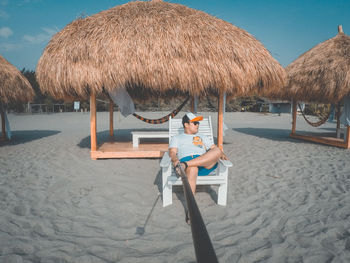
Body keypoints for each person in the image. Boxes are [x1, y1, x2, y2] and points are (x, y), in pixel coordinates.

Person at [169, 112, 228, 195]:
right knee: (193, 169)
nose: (197, 125)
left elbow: (214, 149)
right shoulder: (177, 138)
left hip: (203, 163)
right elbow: (172, 152)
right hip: (188, 166)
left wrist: (221, 154)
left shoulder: (203, 136)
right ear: (186, 124)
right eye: (195, 123)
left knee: (218, 150)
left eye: (198, 123)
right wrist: (175, 159)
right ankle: (191, 203)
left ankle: (186, 164)